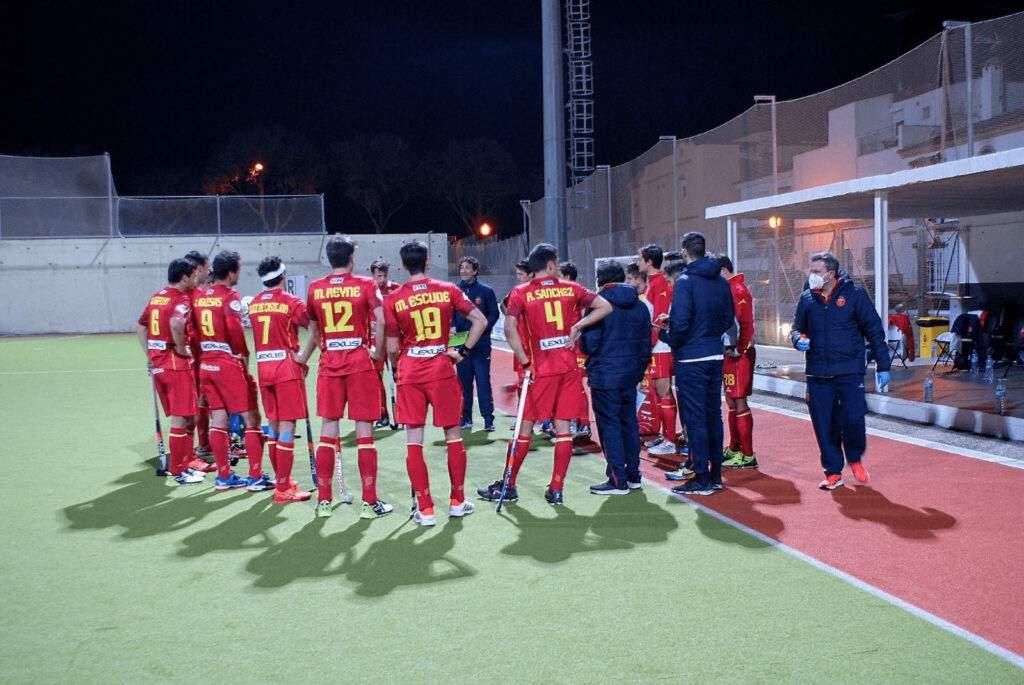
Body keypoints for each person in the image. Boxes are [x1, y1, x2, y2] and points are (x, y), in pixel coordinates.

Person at [477, 243, 612, 506]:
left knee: (524, 430)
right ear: (551, 264)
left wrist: (525, 361)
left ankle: (509, 485)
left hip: (540, 371)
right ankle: (556, 489)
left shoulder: (521, 293)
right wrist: (578, 325)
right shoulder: (572, 288)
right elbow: (605, 306)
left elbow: (509, 329)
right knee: (563, 430)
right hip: (568, 368)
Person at [384, 240, 488, 526]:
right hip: (441, 366)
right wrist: (463, 352)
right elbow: (480, 320)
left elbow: (393, 348)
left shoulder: (394, 298)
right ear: (428, 262)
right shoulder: (448, 289)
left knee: (413, 441)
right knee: (453, 435)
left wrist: (397, 371)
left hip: (411, 370)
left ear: (404, 265)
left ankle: (426, 508)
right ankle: (457, 501)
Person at [299, 237, 394, 519]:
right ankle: (369, 503)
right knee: (365, 432)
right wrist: (377, 353)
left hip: (330, 364)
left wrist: (303, 359)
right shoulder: (366, 284)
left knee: (328, 431)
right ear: (351, 257)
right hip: (358, 362)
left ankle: (324, 502)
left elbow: (313, 333)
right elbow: (383, 321)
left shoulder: (315, 288)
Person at [791, 251, 889, 490]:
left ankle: (854, 458)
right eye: (810, 270)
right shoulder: (807, 299)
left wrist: (883, 365)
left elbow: (874, 330)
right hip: (817, 373)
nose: (811, 275)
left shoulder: (854, 295)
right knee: (824, 424)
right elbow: (796, 329)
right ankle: (833, 471)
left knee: (853, 419)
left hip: (849, 371)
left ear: (830, 274)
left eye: (816, 271)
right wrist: (797, 338)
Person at [659, 232, 734, 496]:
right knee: (713, 415)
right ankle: (714, 476)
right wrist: (709, 335)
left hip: (691, 358)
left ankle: (701, 476)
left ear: (684, 252)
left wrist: (668, 335)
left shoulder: (686, 282)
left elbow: (680, 323)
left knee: (695, 418)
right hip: (714, 354)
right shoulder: (721, 281)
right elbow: (728, 317)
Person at [192, 250, 271, 491]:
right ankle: (256, 477)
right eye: (238, 268)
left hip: (207, 363)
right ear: (231, 272)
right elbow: (235, 331)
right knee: (252, 418)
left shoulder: (201, 297)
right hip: (227, 363)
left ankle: (224, 476)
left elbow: (194, 331)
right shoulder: (230, 296)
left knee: (219, 418)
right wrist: (243, 356)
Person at [581, 260, 652, 494]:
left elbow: (590, 344)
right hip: (630, 373)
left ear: (599, 279)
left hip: (605, 374)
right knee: (629, 423)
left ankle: (617, 479)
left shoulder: (597, 305)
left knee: (609, 425)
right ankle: (633, 475)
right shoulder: (640, 305)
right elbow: (646, 344)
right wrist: (639, 370)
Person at [249, 256, 315, 504]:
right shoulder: (292, 302)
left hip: (264, 369)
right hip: (287, 369)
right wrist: (303, 358)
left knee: (274, 426)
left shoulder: (254, 304)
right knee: (288, 427)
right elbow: (315, 330)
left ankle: (282, 481)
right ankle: (283, 489)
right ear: (283, 277)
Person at [136, 258, 204, 485]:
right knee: (180, 418)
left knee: (183, 416)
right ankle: (178, 470)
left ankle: (183, 465)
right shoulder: (180, 299)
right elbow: (176, 324)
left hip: (159, 364)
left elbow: (141, 327)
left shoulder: (157, 296)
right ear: (184, 277)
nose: (196, 278)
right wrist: (183, 349)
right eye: (194, 274)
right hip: (175, 364)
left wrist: (149, 354)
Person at [639, 244, 680, 457]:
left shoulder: (660, 284)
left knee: (664, 391)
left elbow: (660, 317)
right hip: (657, 346)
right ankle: (667, 436)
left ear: (648, 261)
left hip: (661, 347)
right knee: (658, 391)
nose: (638, 262)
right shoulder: (654, 283)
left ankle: (671, 440)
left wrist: (650, 344)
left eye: (640, 258)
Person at [718, 254, 758, 469]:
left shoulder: (738, 290)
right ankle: (734, 448)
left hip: (739, 354)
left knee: (739, 401)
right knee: (732, 402)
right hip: (730, 352)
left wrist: (739, 349)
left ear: (724, 270)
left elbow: (746, 324)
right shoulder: (729, 290)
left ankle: (748, 455)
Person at [454, 256, 499, 431]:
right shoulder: (455, 290)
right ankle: (466, 418)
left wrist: (483, 330)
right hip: (460, 344)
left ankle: (488, 419)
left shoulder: (486, 291)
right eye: (461, 268)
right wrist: (452, 329)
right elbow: (450, 314)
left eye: (467, 268)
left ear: (475, 270)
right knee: (463, 383)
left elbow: (493, 314)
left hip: (481, 345)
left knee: (483, 382)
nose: (463, 271)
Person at [183, 250, 215, 469]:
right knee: (197, 403)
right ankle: (197, 449)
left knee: (197, 403)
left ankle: (200, 446)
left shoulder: (182, 293)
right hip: (195, 356)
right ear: (198, 269)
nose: (209, 271)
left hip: (192, 356)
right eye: (206, 267)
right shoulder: (195, 296)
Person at [558, 260, 592, 440]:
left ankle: (584, 425)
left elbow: (583, 322)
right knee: (568, 387)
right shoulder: (562, 294)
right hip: (566, 347)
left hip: (576, 347)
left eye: (559, 275)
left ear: (568, 277)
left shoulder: (577, 293)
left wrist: (574, 338)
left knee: (576, 386)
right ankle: (572, 421)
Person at [370, 260, 401, 428]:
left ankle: (402, 414)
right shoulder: (369, 289)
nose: (381, 279)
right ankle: (382, 415)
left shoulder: (395, 287)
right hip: (376, 341)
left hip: (394, 339)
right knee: (375, 379)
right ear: (372, 275)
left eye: (383, 275)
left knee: (399, 375)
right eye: (377, 276)